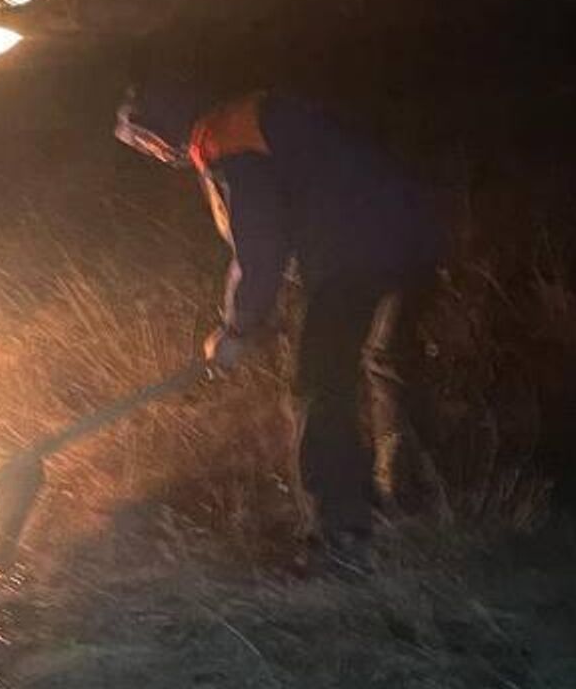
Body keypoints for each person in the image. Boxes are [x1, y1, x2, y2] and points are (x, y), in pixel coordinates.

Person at [115, 64, 445, 577]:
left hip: (354, 251)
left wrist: (238, 328)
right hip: (416, 232)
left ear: (161, 126)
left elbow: (261, 245)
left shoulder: (223, 139)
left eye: (146, 142)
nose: (153, 154)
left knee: (319, 386)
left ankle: (341, 538)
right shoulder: (254, 114)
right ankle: (416, 497)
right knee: (388, 359)